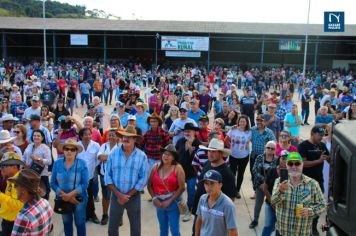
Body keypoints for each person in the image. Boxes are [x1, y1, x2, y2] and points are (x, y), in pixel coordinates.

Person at [105, 126, 149, 236]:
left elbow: (143, 178)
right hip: (116, 196)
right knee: (112, 228)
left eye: (129, 137)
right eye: (124, 136)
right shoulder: (113, 154)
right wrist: (119, 195)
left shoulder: (142, 156)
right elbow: (107, 176)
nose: (126, 139)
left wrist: (127, 196)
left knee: (135, 229)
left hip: (133, 197)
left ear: (135, 139)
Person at [271, 152, 326, 236]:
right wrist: (280, 191)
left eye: (297, 163)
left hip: (302, 233)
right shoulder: (279, 182)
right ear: (286, 165)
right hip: (282, 232)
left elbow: (323, 205)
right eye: (290, 164)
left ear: (302, 165)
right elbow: (273, 202)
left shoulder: (312, 184)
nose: (294, 167)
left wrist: (310, 211)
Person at [191, 138, 236, 236]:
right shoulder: (207, 163)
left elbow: (231, 198)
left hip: (214, 216)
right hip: (201, 209)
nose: (210, 154)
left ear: (221, 153)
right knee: (195, 232)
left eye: (214, 151)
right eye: (209, 151)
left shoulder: (227, 174)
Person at [51, 139, 89, 236]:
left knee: (80, 223)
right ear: (63, 150)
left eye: (72, 150)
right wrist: (64, 195)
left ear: (76, 152)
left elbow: (85, 184)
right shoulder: (57, 163)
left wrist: (70, 196)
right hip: (62, 199)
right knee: (67, 223)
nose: (69, 151)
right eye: (67, 149)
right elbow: (53, 183)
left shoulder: (82, 163)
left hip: (78, 199)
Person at [147, 144, 186, 236]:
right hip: (159, 203)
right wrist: (154, 198)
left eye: (169, 154)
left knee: (174, 230)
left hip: (173, 203)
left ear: (173, 157)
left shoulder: (178, 168)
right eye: (164, 154)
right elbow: (149, 185)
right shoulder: (155, 167)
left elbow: (182, 187)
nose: (166, 156)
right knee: (163, 229)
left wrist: (169, 201)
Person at [298, 125, 330, 235]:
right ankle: (303, 227)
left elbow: (329, 159)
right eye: (319, 135)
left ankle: (313, 226)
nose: (321, 137)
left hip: (318, 181)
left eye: (322, 135)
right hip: (305, 182)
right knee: (304, 205)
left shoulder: (322, 145)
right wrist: (319, 161)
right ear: (312, 133)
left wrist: (329, 158)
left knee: (318, 205)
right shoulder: (303, 146)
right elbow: (303, 164)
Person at [9, 168, 54, 236]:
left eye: (16, 185)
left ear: (23, 190)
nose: (14, 188)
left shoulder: (24, 217)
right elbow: (50, 229)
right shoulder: (45, 203)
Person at [195, 170, 238, 236]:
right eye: (206, 183)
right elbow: (199, 220)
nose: (208, 187)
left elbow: (233, 231)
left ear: (220, 185)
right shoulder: (202, 199)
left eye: (212, 183)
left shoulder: (228, 205)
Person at [175, 122, 201, 222]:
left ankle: (189, 211)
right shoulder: (180, 141)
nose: (187, 133)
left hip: (192, 173)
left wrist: (190, 148)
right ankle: (181, 208)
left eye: (189, 131)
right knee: (178, 191)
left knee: (191, 193)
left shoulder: (198, 144)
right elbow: (176, 154)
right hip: (180, 172)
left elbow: (197, 159)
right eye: (185, 131)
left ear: (194, 132)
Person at [249, 141, 278, 229]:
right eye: (268, 148)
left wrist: (267, 182)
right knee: (258, 203)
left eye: (272, 148)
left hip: (272, 187)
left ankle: (273, 222)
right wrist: (263, 181)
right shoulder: (259, 157)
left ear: (275, 150)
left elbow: (277, 174)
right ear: (265, 148)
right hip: (260, 185)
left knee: (272, 204)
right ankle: (255, 220)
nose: (269, 150)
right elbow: (254, 170)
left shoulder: (277, 160)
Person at [260, 150, 288, 236]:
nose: (284, 161)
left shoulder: (291, 173)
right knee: (268, 226)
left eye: (287, 159)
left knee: (279, 229)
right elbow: (264, 188)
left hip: (283, 207)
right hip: (270, 204)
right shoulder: (272, 170)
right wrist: (272, 202)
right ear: (279, 159)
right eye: (283, 158)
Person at [77, 128, 100, 224]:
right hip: (78, 176)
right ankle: (83, 215)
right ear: (81, 136)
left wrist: (92, 167)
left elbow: (98, 159)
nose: (88, 136)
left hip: (90, 175)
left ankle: (92, 214)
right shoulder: (77, 145)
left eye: (89, 134)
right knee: (81, 196)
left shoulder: (96, 145)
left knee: (90, 195)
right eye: (85, 134)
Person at [225, 115, 252, 199]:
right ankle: (232, 190)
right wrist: (231, 147)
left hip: (244, 156)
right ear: (238, 122)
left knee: (240, 174)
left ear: (247, 123)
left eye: (244, 121)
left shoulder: (249, 132)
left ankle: (237, 191)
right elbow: (226, 140)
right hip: (233, 156)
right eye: (241, 121)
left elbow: (252, 141)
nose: (242, 123)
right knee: (232, 174)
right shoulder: (233, 130)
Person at [97, 129, 120, 225]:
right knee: (106, 196)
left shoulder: (121, 147)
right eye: (109, 135)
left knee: (117, 196)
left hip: (117, 177)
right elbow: (100, 157)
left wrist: (107, 157)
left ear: (117, 137)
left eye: (113, 135)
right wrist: (112, 158)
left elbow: (121, 160)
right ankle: (105, 215)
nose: (111, 137)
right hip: (104, 175)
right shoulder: (104, 145)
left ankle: (118, 216)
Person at [22, 129, 52, 199]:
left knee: (44, 192)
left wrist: (38, 159)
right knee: (31, 194)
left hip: (41, 174)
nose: (36, 137)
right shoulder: (29, 146)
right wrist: (23, 163)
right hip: (29, 173)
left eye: (38, 136)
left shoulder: (45, 148)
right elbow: (24, 156)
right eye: (34, 135)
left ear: (42, 138)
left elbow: (49, 161)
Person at [0, 152, 25, 236]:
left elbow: (18, 204)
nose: (2, 168)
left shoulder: (18, 182)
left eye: (4, 166)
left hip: (12, 221)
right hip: (8, 217)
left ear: (14, 167)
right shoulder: (12, 177)